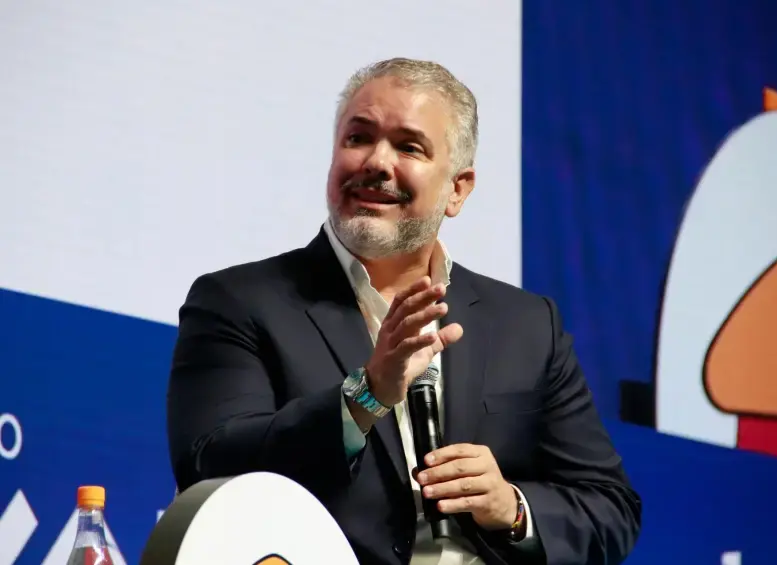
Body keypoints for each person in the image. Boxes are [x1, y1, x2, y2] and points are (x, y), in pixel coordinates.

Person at [166, 57, 641, 565]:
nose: (376, 161)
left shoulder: (527, 325)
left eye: (409, 147)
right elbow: (210, 469)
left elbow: (609, 507)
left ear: (457, 189)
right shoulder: (240, 300)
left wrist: (512, 508)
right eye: (358, 138)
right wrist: (363, 397)